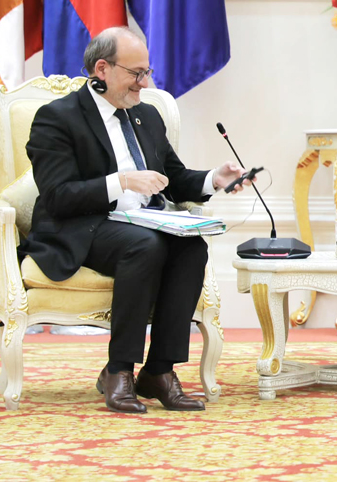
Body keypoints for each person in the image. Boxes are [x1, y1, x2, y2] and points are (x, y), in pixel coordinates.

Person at [19, 27, 250, 413]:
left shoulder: (147, 116)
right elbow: (58, 196)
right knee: (145, 246)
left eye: (147, 72)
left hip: (142, 223)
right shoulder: (57, 118)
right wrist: (121, 182)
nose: (145, 83)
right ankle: (119, 370)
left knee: (191, 248)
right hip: (81, 226)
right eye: (136, 73)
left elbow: (174, 178)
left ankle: (159, 371)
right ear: (102, 69)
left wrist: (215, 179)